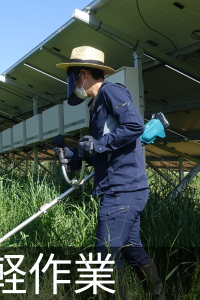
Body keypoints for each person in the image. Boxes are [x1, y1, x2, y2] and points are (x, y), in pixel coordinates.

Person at [53, 46, 166, 300]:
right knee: (132, 250)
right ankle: (158, 295)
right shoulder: (95, 105)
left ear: (83, 74)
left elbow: (134, 124)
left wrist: (99, 144)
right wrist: (70, 155)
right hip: (125, 190)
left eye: (72, 77)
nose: (72, 83)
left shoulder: (111, 92)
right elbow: (99, 152)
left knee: (103, 257)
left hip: (121, 191)